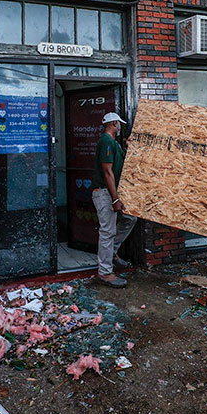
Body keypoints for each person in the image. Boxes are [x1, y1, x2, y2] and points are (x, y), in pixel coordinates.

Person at [91, 111, 137, 288]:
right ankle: (105, 273)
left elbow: (119, 162)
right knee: (107, 231)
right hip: (104, 193)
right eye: (118, 123)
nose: (120, 126)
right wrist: (114, 199)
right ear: (112, 124)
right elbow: (107, 171)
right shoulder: (106, 142)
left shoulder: (114, 144)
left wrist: (126, 148)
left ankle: (113, 252)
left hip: (111, 192)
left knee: (130, 218)